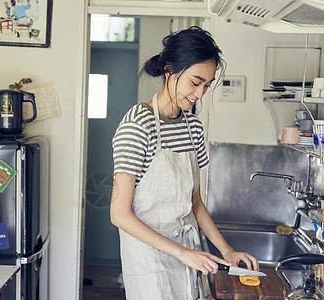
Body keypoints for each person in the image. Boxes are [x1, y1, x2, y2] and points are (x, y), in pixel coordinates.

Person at [110, 26, 260, 300]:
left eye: (207, 85)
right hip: (150, 258)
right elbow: (119, 214)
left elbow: (195, 202)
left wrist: (226, 251)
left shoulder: (193, 127)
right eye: (195, 82)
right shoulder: (137, 126)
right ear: (170, 70)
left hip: (190, 252)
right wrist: (182, 253)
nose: (200, 93)